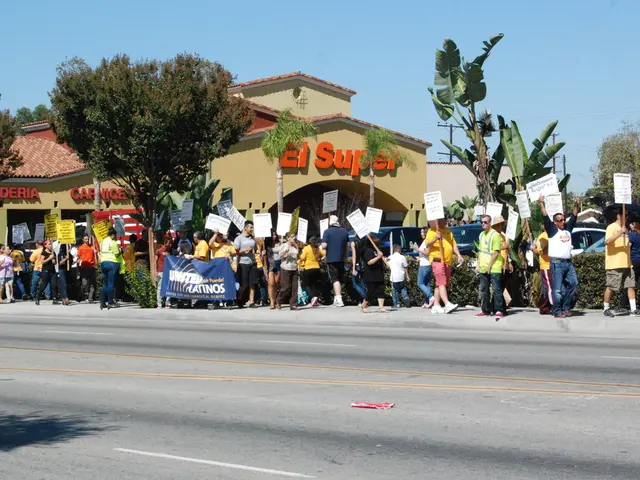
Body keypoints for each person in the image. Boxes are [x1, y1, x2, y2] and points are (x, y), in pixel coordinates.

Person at [540, 195, 580, 319]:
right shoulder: (552, 230)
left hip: (568, 263)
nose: (563, 222)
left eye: (563, 220)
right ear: (555, 222)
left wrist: (576, 205)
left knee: (573, 284)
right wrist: (542, 203)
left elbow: (574, 216)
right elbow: (545, 216)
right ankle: (557, 310)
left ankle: (565, 308)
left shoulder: (567, 230)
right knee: (557, 289)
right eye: (560, 220)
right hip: (556, 264)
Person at [603, 210, 638, 316]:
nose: (626, 218)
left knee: (630, 286)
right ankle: (606, 308)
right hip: (615, 263)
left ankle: (633, 308)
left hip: (627, 263)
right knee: (611, 286)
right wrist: (619, 233)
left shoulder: (626, 229)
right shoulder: (611, 227)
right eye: (625, 215)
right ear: (619, 216)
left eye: (627, 216)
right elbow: (607, 242)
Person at [425, 219, 463, 314]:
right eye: (441, 220)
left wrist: (459, 255)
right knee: (441, 282)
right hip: (437, 260)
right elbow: (427, 244)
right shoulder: (432, 231)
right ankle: (447, 304)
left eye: (444, 220)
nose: (443, 222)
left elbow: (453, 244)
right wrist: (436, 238)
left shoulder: (448, 231)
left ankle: (436, 305)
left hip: (447, 262)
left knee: (440, 283)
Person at [475, 215, 504, 319]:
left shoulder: (495, 235)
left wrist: (489, 266)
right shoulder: (481, 235)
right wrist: (478, 264)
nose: (483, 224)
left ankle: (498, 310)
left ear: (490, 223)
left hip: (494, 267)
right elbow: (480, 251)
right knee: (484, 290)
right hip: (483, 267)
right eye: (482, 222)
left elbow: (496, 252)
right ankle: (485, 310)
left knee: (496, 290)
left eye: (485, 222)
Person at [321, 215, 349, 307]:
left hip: (331, 259)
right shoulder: (344, 231)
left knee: (335, 279)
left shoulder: (327, 232)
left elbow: (324, 245)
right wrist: (345, 257)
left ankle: (338, 299)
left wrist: (321, 245)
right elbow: (347, 246)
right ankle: (336, 299)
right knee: (339, 279)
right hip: (341, 258)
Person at [209, 229, 237, 309]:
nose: (220, 236)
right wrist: (215, 233)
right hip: (217, 267)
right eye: (219, 235)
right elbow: (210, 243)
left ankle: (228, 302)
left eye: (221, 235)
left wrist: (230, 256)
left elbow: (234, 253)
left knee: (227, 284)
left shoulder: (229, 244)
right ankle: (216, 302)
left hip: (227, 267)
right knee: (216, 283)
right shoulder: (214, 244)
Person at [491, 215, 513, 311]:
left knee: (502, 285)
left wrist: (510, 262)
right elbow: (491, 250)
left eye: (502, 224)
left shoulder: (503, 236)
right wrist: (503, 247)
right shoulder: (493, 236)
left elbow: (507, 252)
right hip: (497, 264)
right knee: (498, 287)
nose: (501, 226)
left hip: (504, 264)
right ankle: (499, 307)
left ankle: (494, 306)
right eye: (499, 224)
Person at [361, 236, 387, 313]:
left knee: (381, 289)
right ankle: (364, 304)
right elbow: (369, 262)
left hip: (379, 271)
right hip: (370, 273)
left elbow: (380, 258)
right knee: (371, 290)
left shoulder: (377, 250)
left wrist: (384, 259)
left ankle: (381, 307)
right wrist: (378, 257)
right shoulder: (366, 250)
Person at [234, 221, 257, 308]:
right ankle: (239, 298)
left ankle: (251, 301)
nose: (252, 229)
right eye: (251, 227)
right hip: (243, 263)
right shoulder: (238, 239)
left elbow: (256, 249)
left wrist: (257, 251)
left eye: (252, 227)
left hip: (252, 262)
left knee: (252, 283)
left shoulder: (252, 239)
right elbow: (235, 252)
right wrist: (245, 250)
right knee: (244, 284)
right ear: (245, 228)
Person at [530, 231, 553, 315]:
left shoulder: (557, 234)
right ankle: (548, 307)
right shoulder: (542, 237)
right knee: (549, 288)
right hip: (546, 265)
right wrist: (533, 249)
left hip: (556, 265)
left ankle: (546, 307)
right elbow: (543, 251)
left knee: (552, 287)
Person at [99, 228, 121, 310]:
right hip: (111, 263)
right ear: (113, 235)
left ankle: (102, 302)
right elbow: (116, 254)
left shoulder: (102, 241)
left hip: (103, 263)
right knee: (111, 284)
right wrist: (120, 251)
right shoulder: (113, 242)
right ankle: (110, 302)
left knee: (106, 284)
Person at [299, 237, 325, 307]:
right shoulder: (318, 248)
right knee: (314, 284)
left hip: (308, 268)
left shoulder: (306, 248)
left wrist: (299, 258)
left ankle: (313, 297)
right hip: (317, 268)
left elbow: (302, 258)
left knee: (306, 284)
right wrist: (320, 259)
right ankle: (315, 299)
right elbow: (325, 254)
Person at [412, 227, 434, 309]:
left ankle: (431, 297)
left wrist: (417, 249)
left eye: (422, 232)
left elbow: (427, 252)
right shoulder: (426, 241)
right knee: (426, 284)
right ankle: (427, 302)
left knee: (420, 283)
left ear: (426, 233)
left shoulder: (427, 241)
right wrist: (419, 258)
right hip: (426, 263)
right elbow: (425, 254)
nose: (421, 234)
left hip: (425, 265)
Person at [620, 221, 640, 311]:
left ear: (634, 225)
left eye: (631, 224)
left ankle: (624, 304)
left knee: (629, 283)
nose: (629, 225)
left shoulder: (632, 235)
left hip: (634, 260)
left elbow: (628, 246)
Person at [277, 233, 299, 310]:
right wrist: (286, 252)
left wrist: (298, 248)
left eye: (294, 236)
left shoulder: (295, 246)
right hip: (285, 268)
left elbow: (298, 257)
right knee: (285, 287)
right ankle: (279, 301)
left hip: (294, 268)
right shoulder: (284, 245)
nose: (294, 238)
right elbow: (280, 256)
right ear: (288, 238)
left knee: (295, 287)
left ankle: (293, 304)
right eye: (292, 237)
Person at [35, 240, 59, 305]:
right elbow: (42, 262)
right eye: (49, 244)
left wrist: (54, 261)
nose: (50, 245)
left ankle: (54, 299)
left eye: (51, 244)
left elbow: (56, 262)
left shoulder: (53, 252)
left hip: (52, 270)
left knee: (54, 285)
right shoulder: (43, 253)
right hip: (46, 270)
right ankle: (38, 297)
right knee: (44, 285)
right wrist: (49, 258)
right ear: (45, 245)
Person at [389, 244, 410, 308]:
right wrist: (407, 276)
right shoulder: (402, 257)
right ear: (398, 250)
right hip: (401, 276)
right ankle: (406, 300)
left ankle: (396, 303)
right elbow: (405, 267)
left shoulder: (390, 257)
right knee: (403, 289)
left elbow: (387, 263)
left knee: (394, 291)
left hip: (394, 277)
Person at [77, 234, 97, 303]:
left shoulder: (92, 247)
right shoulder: (81, 248)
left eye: (88, 239)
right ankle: (80, 296)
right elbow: (78, 257)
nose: (87, 240)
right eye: (85, 239)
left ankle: (90, 298)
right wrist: (78, 262)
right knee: (84, 284)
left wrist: (95, 252)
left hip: (91, 267)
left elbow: (95, 257)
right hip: (84, 267)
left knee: (92, 284)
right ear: (83, 240)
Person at [264, 230, 281, 309]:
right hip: (270, 265)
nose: (274, 236)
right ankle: (272, 302)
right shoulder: (265, 244)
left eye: (275, 234)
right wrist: (262, 254)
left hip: (279, 264)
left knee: (277, 284)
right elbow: (262, 258)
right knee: (271, 284)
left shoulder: (280, 243)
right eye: (272, 235)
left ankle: (277, 300)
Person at [155, 236, 172, 310]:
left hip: (167, 271)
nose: (170, 244)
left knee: (167, 287)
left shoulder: (169, 251)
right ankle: (159, 304)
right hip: (161, 271)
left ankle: (167, 303)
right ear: (165, 243)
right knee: (160, 287)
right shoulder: (159, 251)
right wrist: (156, 271)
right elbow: (155, 261)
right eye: (169, 243)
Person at [349, 235, 367, 305]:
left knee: (355, 283)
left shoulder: (353, 243)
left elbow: (354, 256)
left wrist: (353, 268)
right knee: (362, 283)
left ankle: (365, 298)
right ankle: (362, 301)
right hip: (364, 264)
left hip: (357, 264)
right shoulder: (365, 242)